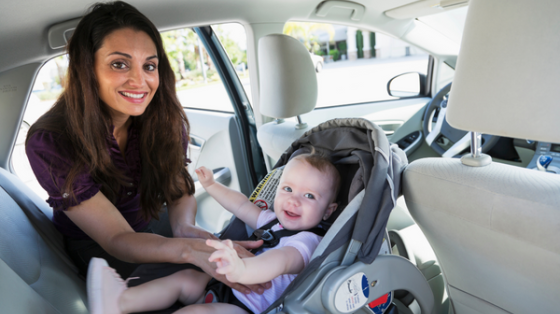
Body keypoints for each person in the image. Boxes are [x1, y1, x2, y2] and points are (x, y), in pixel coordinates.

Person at [24, 0, 262, 292]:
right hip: (102, 247)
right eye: (119, 64)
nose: (140, 81)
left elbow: (177, 191)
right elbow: (116, 239)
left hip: (152, 225)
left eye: (149, 65)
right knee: (205, 283)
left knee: (243, 262)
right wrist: (188, 251)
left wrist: (184, 228)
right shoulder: (51, 141)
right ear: (88, 69)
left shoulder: (164, 120)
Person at [87, 152, 341, 314]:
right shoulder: (272, 220)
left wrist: (241, 270)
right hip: (225, 286)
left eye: (309, 196)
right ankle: (121, 302)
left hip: (248, 307)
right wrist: (211, 186)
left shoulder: (309, 241)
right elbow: (242, 206)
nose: (294, 200)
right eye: (287, 189)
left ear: (328, 211)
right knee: (186, 278)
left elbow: (279, 261)